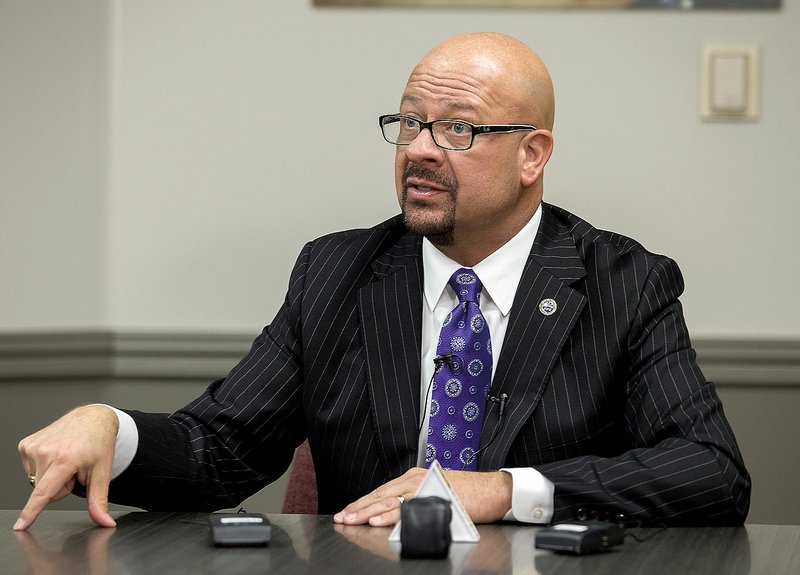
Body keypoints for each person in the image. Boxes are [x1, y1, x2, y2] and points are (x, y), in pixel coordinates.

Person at [15, 32, 750, 532]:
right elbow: (220, 449)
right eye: (409, 123)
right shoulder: (337, 273)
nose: (420, 151)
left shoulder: (624, 282)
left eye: (457, 129)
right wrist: (114, 430)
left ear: (533, 154)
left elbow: (711, 472)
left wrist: (503, 490)